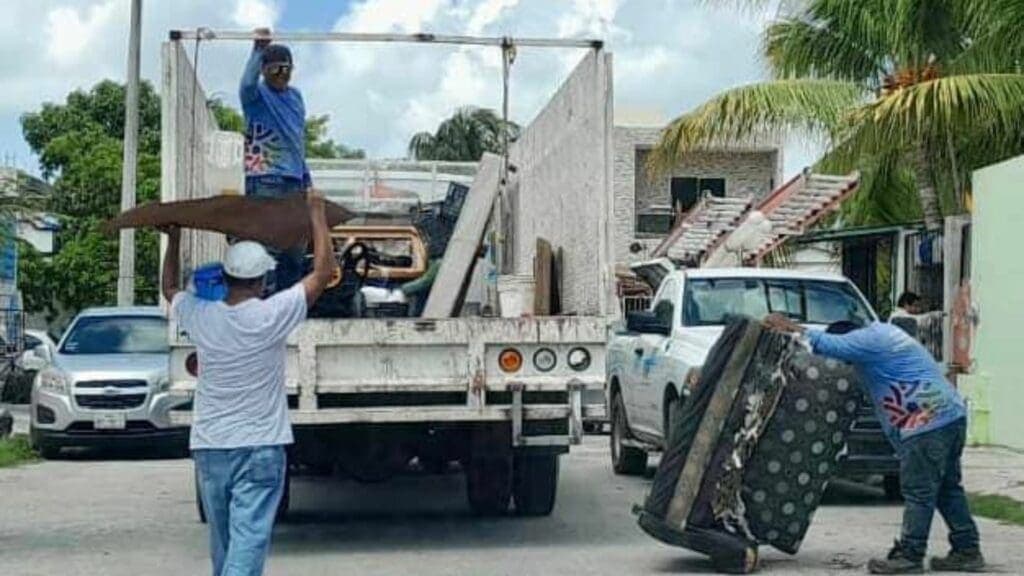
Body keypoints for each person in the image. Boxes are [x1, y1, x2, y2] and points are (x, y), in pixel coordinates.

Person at [160, 191, 334, 576]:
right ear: (263, 280)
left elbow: (170, 290)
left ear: (223, 278)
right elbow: (322, 274)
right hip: (259, 448)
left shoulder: (201, 315)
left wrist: (173, 240)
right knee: (248, 542)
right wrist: (317, 215)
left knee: (224, 547)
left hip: (210, 448)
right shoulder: (273, 314)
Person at [763, 314, 983, 574]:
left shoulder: (864, 340)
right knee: (947, 488)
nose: (844, 363)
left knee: (918, 491)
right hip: (950, 415)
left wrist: (788, 328)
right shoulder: (886, 335)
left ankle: (910, 556)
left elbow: (824, 342)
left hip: (926, 421)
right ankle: (967, 549)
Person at [241, 28, 311, 293]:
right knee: (266, 247)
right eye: (275, 70)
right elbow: (246, 83)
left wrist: (306, 178)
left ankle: (286, 303)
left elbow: (297, 139)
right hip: (265, 178)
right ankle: (262, 303)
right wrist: (258, 49)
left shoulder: (295, 97)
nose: (282, 75)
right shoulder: (256, 96)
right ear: (264, 70)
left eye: (286, 69)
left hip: (294, 180)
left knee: (295, 247)